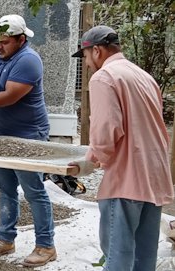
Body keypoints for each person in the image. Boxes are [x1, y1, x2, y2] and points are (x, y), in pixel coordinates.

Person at [69, 25, 174, 271]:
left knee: (118, 255)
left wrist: (90, 162)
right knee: (144, 257)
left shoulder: (105, 77)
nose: (85, 64)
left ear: (96, 51)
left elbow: (106, 131)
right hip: (155, 176)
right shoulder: (144, 76)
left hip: (127, 178)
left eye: (85, 57)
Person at [0, 14, 56, 267]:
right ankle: (5, 239)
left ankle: (45, 246)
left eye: (5, 42)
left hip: (29, 136)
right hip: (2, 133)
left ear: (21, 40)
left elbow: (9, 96)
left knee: (34, 192)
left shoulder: (29, 61)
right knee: (5, 189)